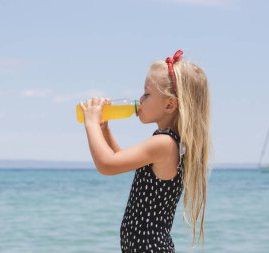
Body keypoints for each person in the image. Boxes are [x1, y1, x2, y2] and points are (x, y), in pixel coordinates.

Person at [79, 49, 212, 252]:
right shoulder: (168, 143)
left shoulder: (164, 144)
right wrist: (104, 130)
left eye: (147, 94)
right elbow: (120, 158)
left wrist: (90, 123)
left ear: (170, 104)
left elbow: (107, 165)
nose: (140, 100)